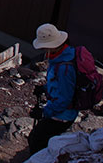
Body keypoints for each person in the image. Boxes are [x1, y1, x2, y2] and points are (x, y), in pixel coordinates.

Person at [27, 23, 77, 154]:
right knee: (37, 138)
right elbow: (59, 85)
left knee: (37, 142)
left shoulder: (64, 67)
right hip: (60, 112)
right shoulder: (64, 56)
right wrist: (45, 87)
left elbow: (64, 98)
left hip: (62, 115)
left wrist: (44, 113)